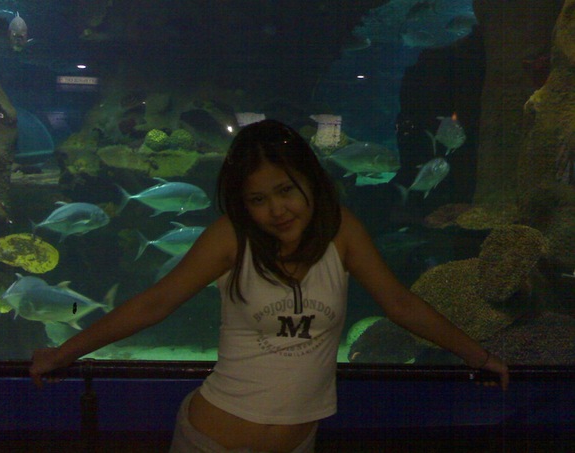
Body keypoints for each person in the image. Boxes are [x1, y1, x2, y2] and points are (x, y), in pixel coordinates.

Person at [30, 119, 509, 453]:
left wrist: (479, 356)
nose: (277, 210)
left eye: (285, 190)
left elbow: (400, 303)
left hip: (299, 443)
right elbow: (155, 303)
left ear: (310, 182)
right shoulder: (231, 237)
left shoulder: (341, 230)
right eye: (258, 199)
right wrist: (63, 353)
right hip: (211, 440)